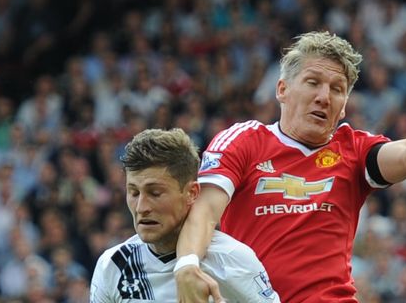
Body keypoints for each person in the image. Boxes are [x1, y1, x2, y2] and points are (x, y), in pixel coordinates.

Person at [174, 31, 406, 302]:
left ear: (344, 105)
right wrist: (187, 265)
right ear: (282, 89)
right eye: (313, 82)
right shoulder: (244, 141)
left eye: (336, 89)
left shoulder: (354, 150)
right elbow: (204, 211)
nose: (323, 97)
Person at [90, 128, 279, 302]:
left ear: (192, 193)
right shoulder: (113, 265)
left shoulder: (233, 260)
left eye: (155, 193)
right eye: (134, 193)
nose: (141, 207)